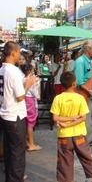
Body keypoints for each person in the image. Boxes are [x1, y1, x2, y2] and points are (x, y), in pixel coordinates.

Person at [50, 72, 92, 182]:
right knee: (87, 158)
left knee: (64, 162)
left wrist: (67, 123)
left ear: (62, 85)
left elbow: (55, 118)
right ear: (74, 84)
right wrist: (74, 118)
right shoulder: (80, 98)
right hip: (79, 135)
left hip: (64, 136)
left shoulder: (58, 98)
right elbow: (82, 118)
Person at [0, 41, 36, 182]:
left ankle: (11, 176)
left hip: (5, 113)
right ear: (14, 53)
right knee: (18, 152)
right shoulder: (13, 71)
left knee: (9, 150)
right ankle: (15, 178)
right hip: (15, 115)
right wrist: (28, 84)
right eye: (19, 52)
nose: (20, 55)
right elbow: (20, 97)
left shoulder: (2, 69)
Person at [74, 40, 92, 146]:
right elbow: (78, 80)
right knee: (86, 119)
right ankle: (84, 141)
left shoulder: (89, 61)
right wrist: (87, 90)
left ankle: (87, 139)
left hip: (89, 95)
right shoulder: (80, 61)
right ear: (88, 49)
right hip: (83, 96)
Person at [20, 63, 42, 151]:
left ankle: (26, 142)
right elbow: (36, 94)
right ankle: (31, 144)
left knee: (26, 122)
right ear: (29, 71)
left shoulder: (22, 79)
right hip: (30, 101)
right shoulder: (33, 80)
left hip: (23, 100)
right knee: (30, 123)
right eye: (33, 70)